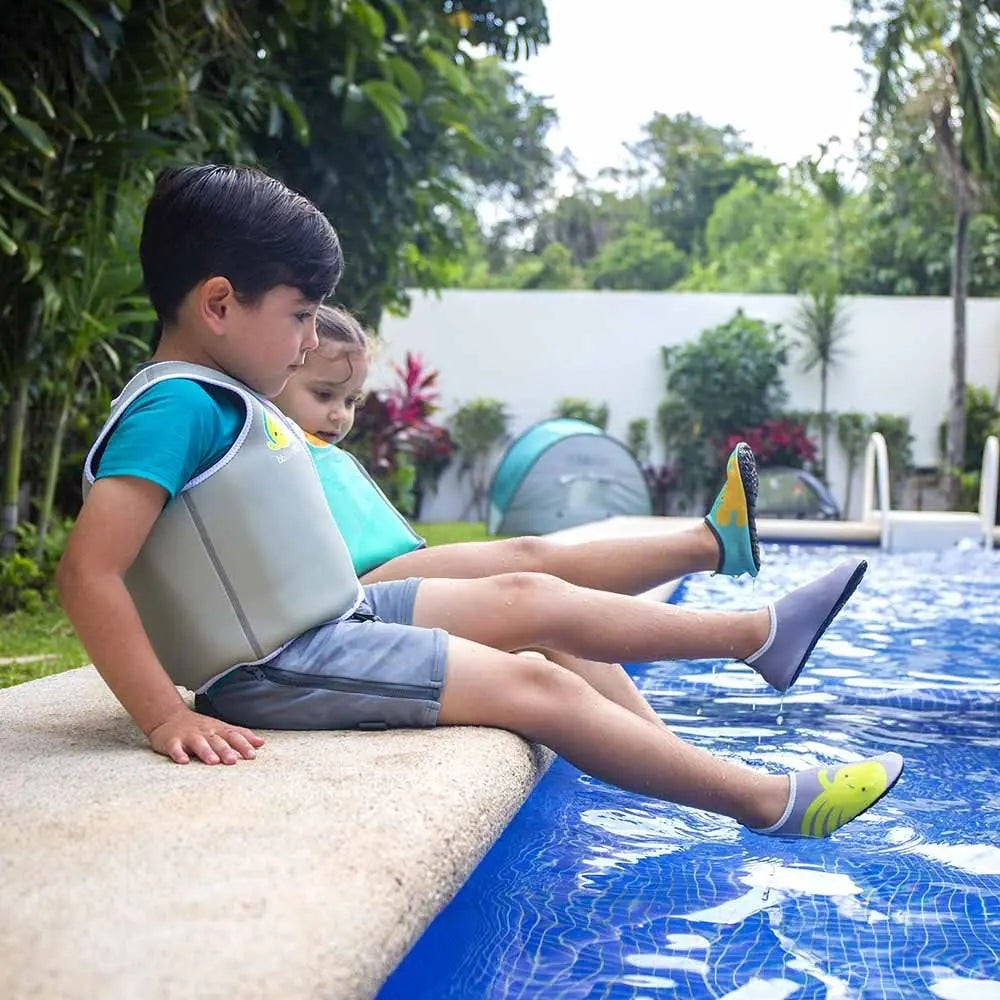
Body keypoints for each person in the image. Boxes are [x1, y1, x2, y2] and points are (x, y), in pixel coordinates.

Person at [57, 164, 903, 841]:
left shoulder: (219, 395)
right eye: (302, 316)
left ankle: (754, 637)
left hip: (334, 616)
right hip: (276, 664)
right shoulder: (175, 407)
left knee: (531, 596)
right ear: (217, 304)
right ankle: (768, 804)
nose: (313, 339)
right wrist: (165, 715)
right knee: (537, 686)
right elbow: (89, 572)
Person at [272, 302, 762, 594]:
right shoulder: (276, 449)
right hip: (370, 589)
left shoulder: (314, 452)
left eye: (351, 399)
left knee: (552, 610)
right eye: (324, 396)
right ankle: (707, 547)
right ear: (280, 376)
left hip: (394, 576)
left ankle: (675, 753)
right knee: (528, 560)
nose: (340, 413)